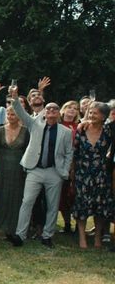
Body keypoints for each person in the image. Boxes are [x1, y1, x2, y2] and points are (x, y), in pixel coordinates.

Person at [8, 89, 73, 248]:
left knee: (52, 205)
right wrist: (15, 98)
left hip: (54, 171)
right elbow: (20, 112)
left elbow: (69, 152)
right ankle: (20, 235)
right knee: (27, 201)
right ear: (45, 112)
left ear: (59, 113)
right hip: (34, 169)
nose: (51, 111)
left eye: (54, 109)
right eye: (48, 108)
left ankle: (47, 236)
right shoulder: (35, 123)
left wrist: (64, 171)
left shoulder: (65, 132)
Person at [72, 102, 113, 248]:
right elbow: (75, 152)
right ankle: (82, 238)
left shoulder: (108, 130)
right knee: (81, 205)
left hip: (101, 174)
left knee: (99, 207)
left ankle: (97, 238)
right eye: (90, 113)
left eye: (95, 113)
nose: (91, 115)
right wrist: (72, 172)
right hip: (83, 173)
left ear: (103, 116)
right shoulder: (81, 129)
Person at [0, 105, 29, 240]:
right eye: (8, 114)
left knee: (16, 197)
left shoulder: (26, 131)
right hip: (1, 167)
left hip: (18, 168)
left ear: (19, 115)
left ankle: (13, 229)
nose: (10, 117)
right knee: (0, 197)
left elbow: (27, 152)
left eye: (13, 114)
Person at [58, 100, 80, 233]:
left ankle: (78, 224)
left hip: (77, 164)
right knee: (62, 195)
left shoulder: (80, 126)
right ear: (64, 109)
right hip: (61, 164)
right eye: (69, 107)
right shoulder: (58, 125)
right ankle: (66, 224)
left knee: (75, 195)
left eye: (75, 108)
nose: (72, 110)